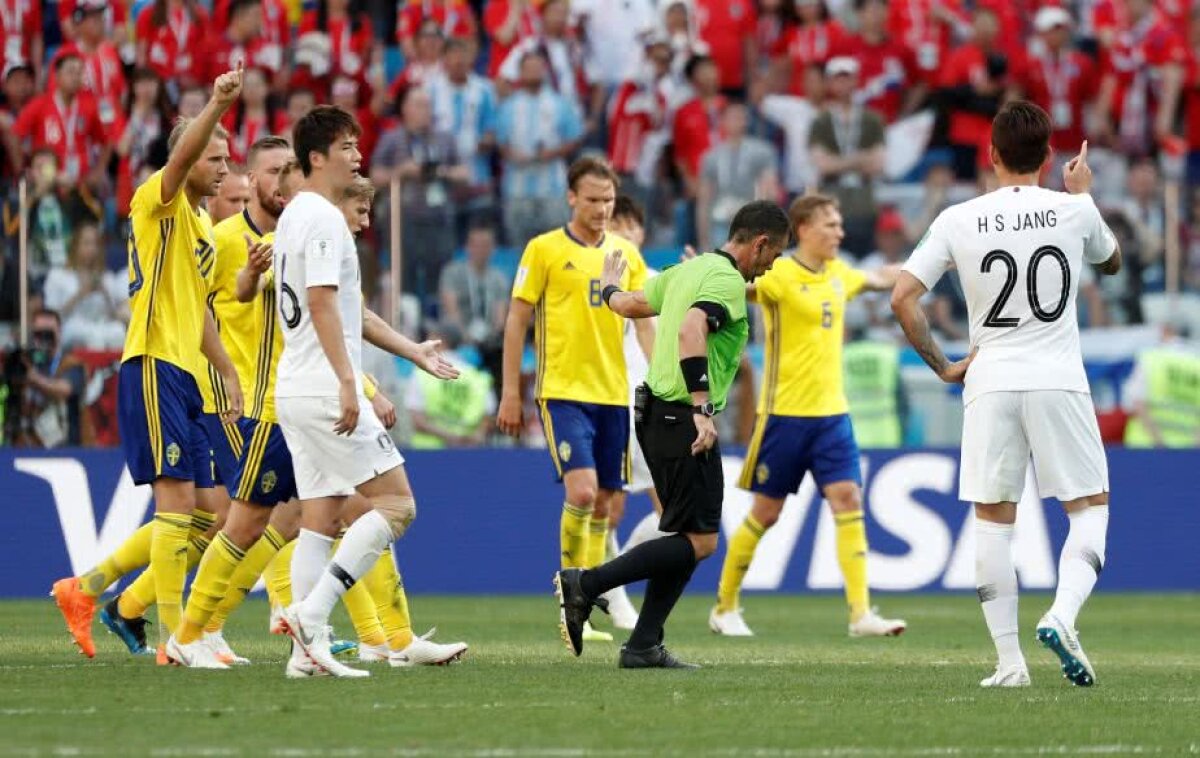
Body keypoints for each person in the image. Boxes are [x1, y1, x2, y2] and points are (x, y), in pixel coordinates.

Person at [891, 101, 1120, 688]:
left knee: (993, 521)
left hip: (989, 379)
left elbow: (902, 297)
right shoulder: (1074, 209)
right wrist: (1082, 193)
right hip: (1057, 378)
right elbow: (1113, 263)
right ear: (1048, 156)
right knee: (1089, 509)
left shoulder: (958, 218)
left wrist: (945, 366)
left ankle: (1010, 664)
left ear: (990, 154)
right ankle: (1062, 615)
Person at [50, 65, 246, 660]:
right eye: (215, 158)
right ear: (187, 158)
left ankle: (91, 590)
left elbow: (201, 308)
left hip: (187, 374)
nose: (223, 167)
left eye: (227, 157)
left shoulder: (202, 225)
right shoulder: (157, 200)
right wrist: (216, 105)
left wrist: (226, 370)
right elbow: (181, 160)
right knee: (177, 506)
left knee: (211, 515)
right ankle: (173, 641)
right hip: (153, 362)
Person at [556, 200, 790, 669]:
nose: (771, 266)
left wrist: (608, 289)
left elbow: (629, 305)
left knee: (687, 536)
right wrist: (702, 408)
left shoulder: (688, 270)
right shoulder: (725, 280)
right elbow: (690, 329)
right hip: (682, 417)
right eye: (775, 255)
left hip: (656, 416)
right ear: (760, 243)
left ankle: (643, 644)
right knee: (701, 541)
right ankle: (586, 583)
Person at [273, 105, 461, 678]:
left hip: (295, 386)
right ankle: (311, 615)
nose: (358, 156)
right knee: (398, 506)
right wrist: (348, 382)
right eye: (347, 147)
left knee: (320, 519)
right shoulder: (324, 219)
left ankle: (305, 655)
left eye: (358, 145)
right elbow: (323, 304)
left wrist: (412, 351)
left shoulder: (295, 214)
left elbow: (349, 310)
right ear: (316, 158)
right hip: (325, 388)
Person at [711, 194, 906, 639]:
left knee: (848, 499)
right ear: (803, 229)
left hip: (832, 416)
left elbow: (881, 276)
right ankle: (724, 606)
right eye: (830, 225)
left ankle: (860, 615)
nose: (840, 232)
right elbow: (736, 286)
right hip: (784, 416)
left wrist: (937, 262)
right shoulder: (778, 275)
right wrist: (701, 274)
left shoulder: (840, 274)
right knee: (766, 513)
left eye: (839, 224)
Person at [497, 157, 653, 645]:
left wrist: (661, 381)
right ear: (571, 198)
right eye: (592, 199)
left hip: (614, 395)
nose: (602, 208)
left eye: (608, 199)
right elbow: (517, 320)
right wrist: (510, 392)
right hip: (563, 392)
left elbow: (644, 322)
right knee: (582, 493)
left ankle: (584, 606)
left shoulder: (626, 254)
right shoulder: (544, 249)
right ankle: (572, 598)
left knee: (604, 505)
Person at [495, 50, 584, 251]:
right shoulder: (508, 106)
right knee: (521, 249)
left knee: (557, 249)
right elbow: (500, 141)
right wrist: (511, 155)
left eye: (538, 67)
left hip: (552, 188)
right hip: (517, 189)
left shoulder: (559, 104)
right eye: (529, 68)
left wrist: (553, 153)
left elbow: (574, 137)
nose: (534, 72)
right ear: (520, 72)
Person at [808, 57, 886, 257]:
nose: (843, 84)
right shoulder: (821, 121)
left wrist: (839, 162)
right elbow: (823, 165)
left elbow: (878, 164)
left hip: (863, 204)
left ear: (856, 81)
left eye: (847, 78)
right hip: (832, 204)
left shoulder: (871, 119)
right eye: (838, 79)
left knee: (864, 262)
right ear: (829, 83)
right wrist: (860, 159)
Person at [696, 102, 779, 251]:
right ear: (722, 121)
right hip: (720, 222)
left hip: (751, 223)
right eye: (732, 117)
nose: (737, 122)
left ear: (747, 121)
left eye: (741, 117)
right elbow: (704, 200)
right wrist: (703, 240)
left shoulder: (762, 152)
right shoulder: (710, 157)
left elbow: (769, 191)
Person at [437, 225, 509, 389]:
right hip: (458, 339)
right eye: (477, 245)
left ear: (493, 248)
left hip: (489, 343)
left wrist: (489, 338)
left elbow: (500, 317)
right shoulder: (452, 273)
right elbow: (451, 311)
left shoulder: (499, 278)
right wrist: (466, 337)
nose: (481, 250)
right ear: (468, 247)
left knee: (500, 354)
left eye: (486, 245)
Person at [42, 222, 130, 350]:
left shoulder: (107, 277)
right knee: (92, 337)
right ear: (75, 246)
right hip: (72, 326)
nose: (92, 249)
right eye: (87, 243)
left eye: (95, 244)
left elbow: (113, 316)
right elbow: (52, 316)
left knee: (119, 333)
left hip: (101, 326)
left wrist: (105, 293)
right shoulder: (58, 276)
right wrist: (81, 293)